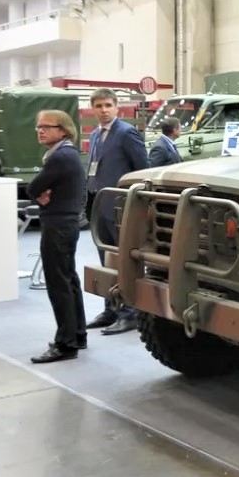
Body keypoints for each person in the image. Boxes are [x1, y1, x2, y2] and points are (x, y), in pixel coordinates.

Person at [84, 88, 149, 335]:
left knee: (123, 261)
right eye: (99, 106)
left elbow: (143, 170)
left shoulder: (126, 133)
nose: (103, 110)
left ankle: (129, 313)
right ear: (93, 109)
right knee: (106, 260)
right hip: (99, 207)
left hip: (121, 208)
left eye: (108, 105)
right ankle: (111, 308)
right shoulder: (95, 135)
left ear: (116, 107)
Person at [27, 110, 87, 363]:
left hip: (58, 225)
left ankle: (65, 344)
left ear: (63, 130)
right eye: (38, 127)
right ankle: (77, 335)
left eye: (46, 126)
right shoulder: (68, 154)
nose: (40, 131)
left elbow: (33, 187)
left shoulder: (59, 157)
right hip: (66, 224)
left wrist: (39, 193)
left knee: (58, 284)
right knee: (68, 279)